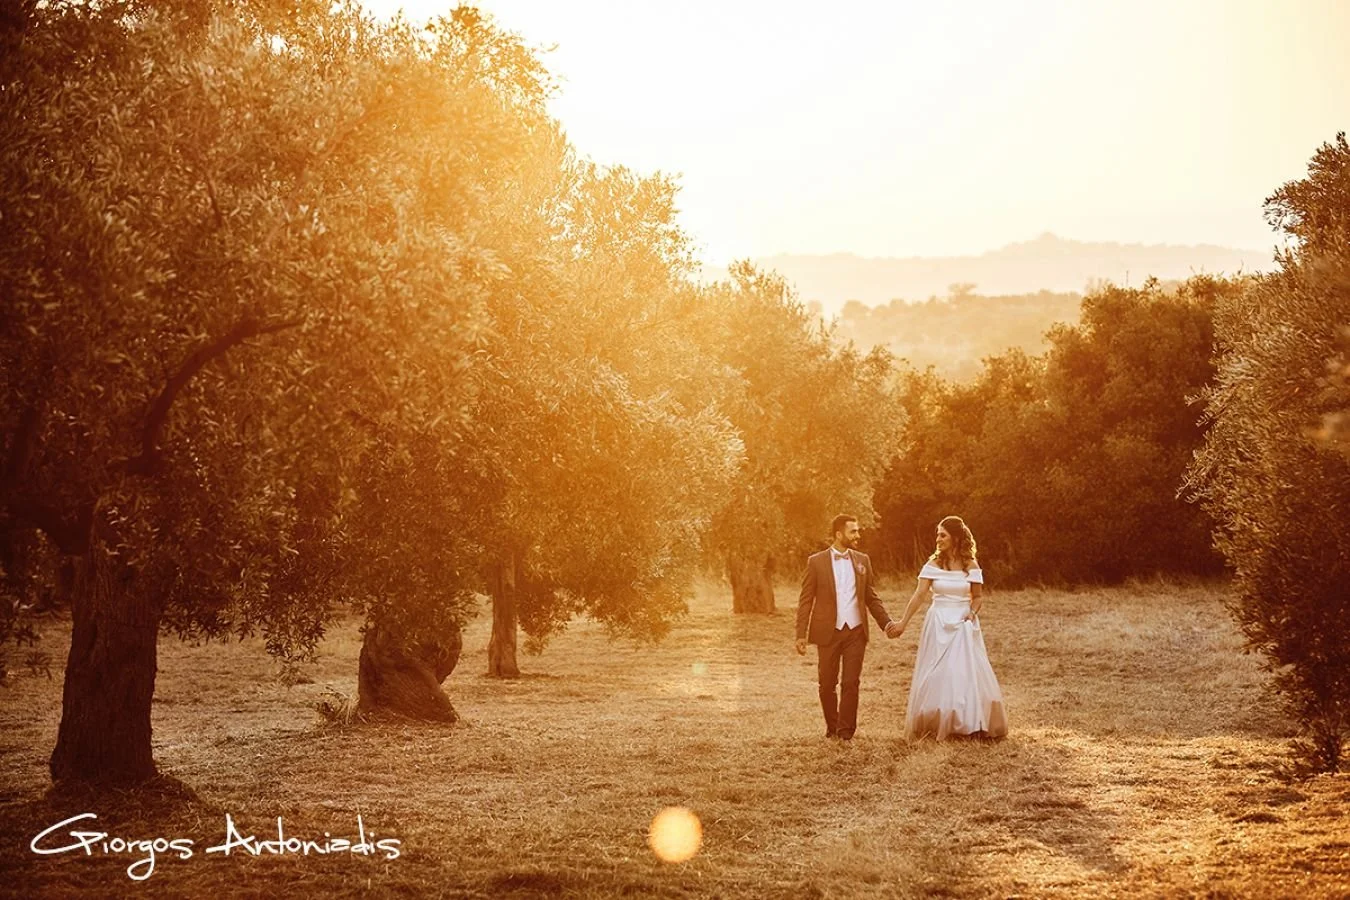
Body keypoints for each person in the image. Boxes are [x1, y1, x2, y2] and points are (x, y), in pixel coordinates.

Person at [892, 515, 1008, 740]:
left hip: (963, 622)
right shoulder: (932, 565)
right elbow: (919, 596)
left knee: (962, 672)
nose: (938, 539)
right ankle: (936, 720)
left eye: (942, 534)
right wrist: (902, 623)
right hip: (938, 621)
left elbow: (978, 597)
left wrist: (970, 615)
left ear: (955, 537)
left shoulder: (971, 566)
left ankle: (968, 721)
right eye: (937, 534)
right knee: (938, 672)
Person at [795, 514, 901, 740]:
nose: (858, 535)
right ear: (838, 534)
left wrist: (887, 624)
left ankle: (845, 732)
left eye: (857, 531)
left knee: (851, 683)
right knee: (826, 685)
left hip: (855, 631)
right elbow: (806, 600)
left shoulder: (863, 560)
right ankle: (832, 728)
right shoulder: (816, 562)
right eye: (853, 531)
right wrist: (800, 634)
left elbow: (871, 597)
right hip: (827, 632)